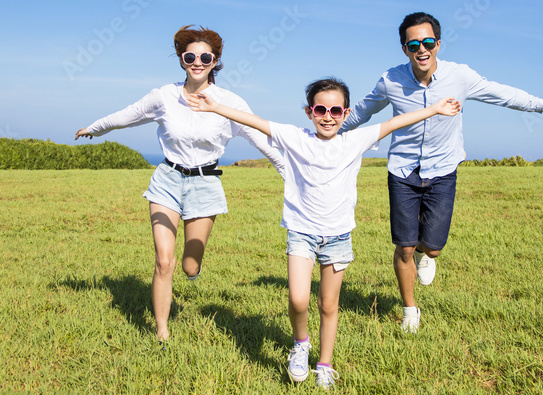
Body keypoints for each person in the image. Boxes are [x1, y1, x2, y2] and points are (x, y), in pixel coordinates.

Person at [187, 77, 460, 390]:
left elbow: (395, 121)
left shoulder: (354, 140)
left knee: (329, 305)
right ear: (309, 111)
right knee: (298, 298)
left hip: (339, 237)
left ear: (345, 113)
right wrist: (216, 107)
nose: (327, 116)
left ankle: (325, 365)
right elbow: (256, 122)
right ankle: (301, 343)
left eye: (335, 110)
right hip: (301, 233)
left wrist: (436, 109)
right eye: (320, 109)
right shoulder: (295, 137)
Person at [341, 12, 543, 333]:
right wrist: (325, 132)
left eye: (427, 42)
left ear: (437, 44)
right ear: (404, 48)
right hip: (403, 173)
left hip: (443, 170)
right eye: (413, 44)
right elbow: (361, 113)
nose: (421, 49)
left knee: (432, 247)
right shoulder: (390, 81)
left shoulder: (459, 76)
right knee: (404, 246)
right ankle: (410, 310)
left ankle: (428, 252)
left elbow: (501, 94)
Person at [75, 25, 284, 345]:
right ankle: (161, 333)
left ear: (215, 61)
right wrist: (94, 128)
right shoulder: (164, 96)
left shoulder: (229, 102)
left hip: (205, 183)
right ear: (181, 59)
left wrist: (290, 174)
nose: (197, 61)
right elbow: (126, 116)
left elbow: (263, 142)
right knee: (163, 259)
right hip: (167, 180)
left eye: (205, 57)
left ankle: (193, 267)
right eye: (190, 56)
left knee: (189, 265)